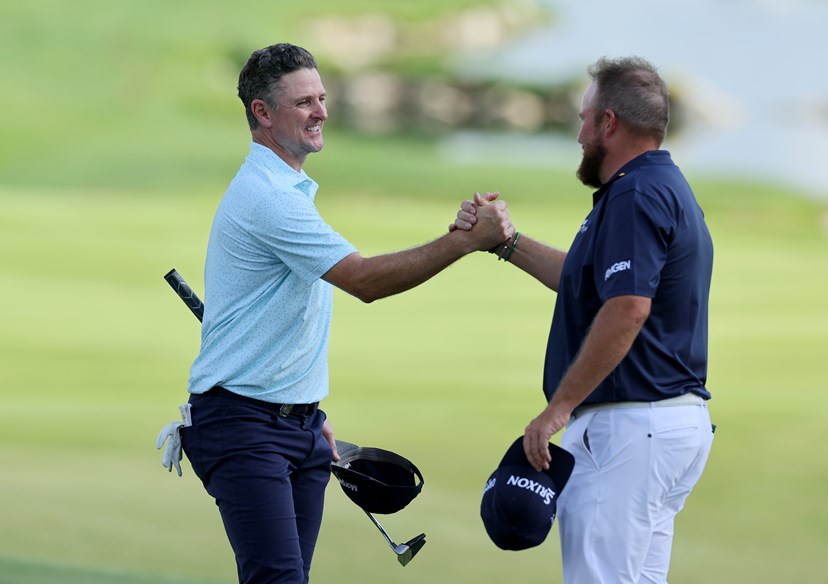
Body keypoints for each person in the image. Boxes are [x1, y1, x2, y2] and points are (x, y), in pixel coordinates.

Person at [178, 43, 514, 584]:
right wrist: (466, 242)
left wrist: (306, 407)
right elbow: (364, 280)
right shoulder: (269, 197)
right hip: (242, 428)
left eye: (322, 98)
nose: (321, 112)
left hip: (298, 423)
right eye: (304, 101)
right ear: (263, 113)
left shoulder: (289, 189)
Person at [455, 56, 715, 583]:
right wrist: (505, 242)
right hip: (668, 428)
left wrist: (558, 409)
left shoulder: (634, 194)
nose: (578, 134)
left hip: (628, 430)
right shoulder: (662, 186)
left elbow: (627, 307)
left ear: (609, 123)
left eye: (584, 118)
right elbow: (588, 281)